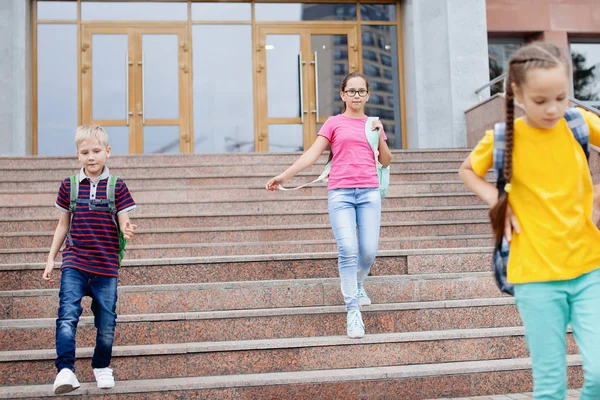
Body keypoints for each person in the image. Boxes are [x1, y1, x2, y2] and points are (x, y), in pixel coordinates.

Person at [459, 42, 600, 399]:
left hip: (590, 268)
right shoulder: (504, 137)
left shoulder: (579, 122)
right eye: (541, 101)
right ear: (518, 94)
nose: (553, 109)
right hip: (535, 277)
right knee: (550, 386)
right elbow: (467, 171)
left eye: (561, 97)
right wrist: (498, 201)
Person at [266, 71, 392, 339]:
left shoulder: (374, 123)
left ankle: (357, 283)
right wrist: (283, 176)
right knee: (348, 248)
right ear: (342, 94)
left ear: (368, 95)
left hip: (369, 192)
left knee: (368, 251)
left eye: (361, 91)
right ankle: (353, 311)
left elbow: (386, 160)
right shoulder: (333, 123)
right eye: (351, 91)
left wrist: (380, 135)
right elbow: (312, 154)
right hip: (341, 194)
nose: (356, 95)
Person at [42, 124, 137, 394]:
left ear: (107, 152)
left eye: (96, 151)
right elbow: (62, 225)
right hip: (74, 262)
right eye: (85, 152)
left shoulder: (117, 186)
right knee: (66, 315)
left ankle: (102, 365)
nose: (91, 156)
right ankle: (65, 370)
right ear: (77, 154)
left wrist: (127, 228)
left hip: (106, 266)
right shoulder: (69, 186)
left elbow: (124, 220)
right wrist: (51, 259)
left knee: (106, 321)